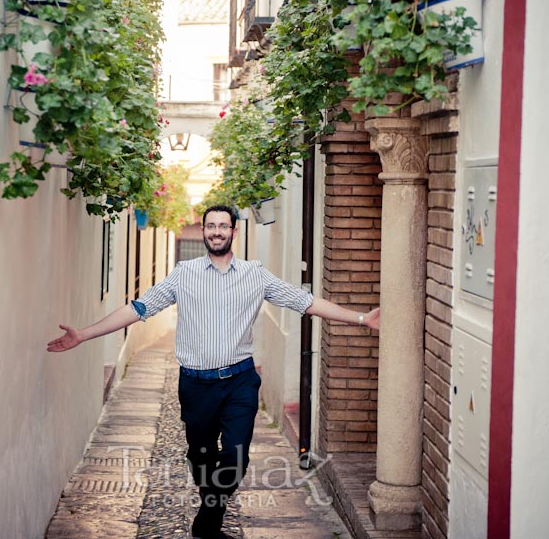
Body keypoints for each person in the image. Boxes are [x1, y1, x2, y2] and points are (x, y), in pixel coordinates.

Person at [47, 204, 380, 539]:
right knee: (200, 457)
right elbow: (139, 308)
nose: (216, 231)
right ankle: (211, 516)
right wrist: (84, 334)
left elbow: (305, 301)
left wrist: (363, 319)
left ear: (234, 231)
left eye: (223, 226)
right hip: (195, 385)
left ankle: (206, 524)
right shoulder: (183, 273)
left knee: (235, 460)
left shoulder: (256, 274)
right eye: (211, 226)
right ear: (204, 230)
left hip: (240, 382)